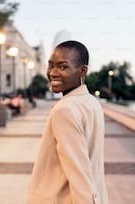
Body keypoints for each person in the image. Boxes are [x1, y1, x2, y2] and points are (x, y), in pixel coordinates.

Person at [26, 41, 108, 204]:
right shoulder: (92, 103)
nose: (53, 73)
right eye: (50, 66)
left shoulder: (65, 109)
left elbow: (79, 172)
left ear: (82, 71)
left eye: (63, 67)